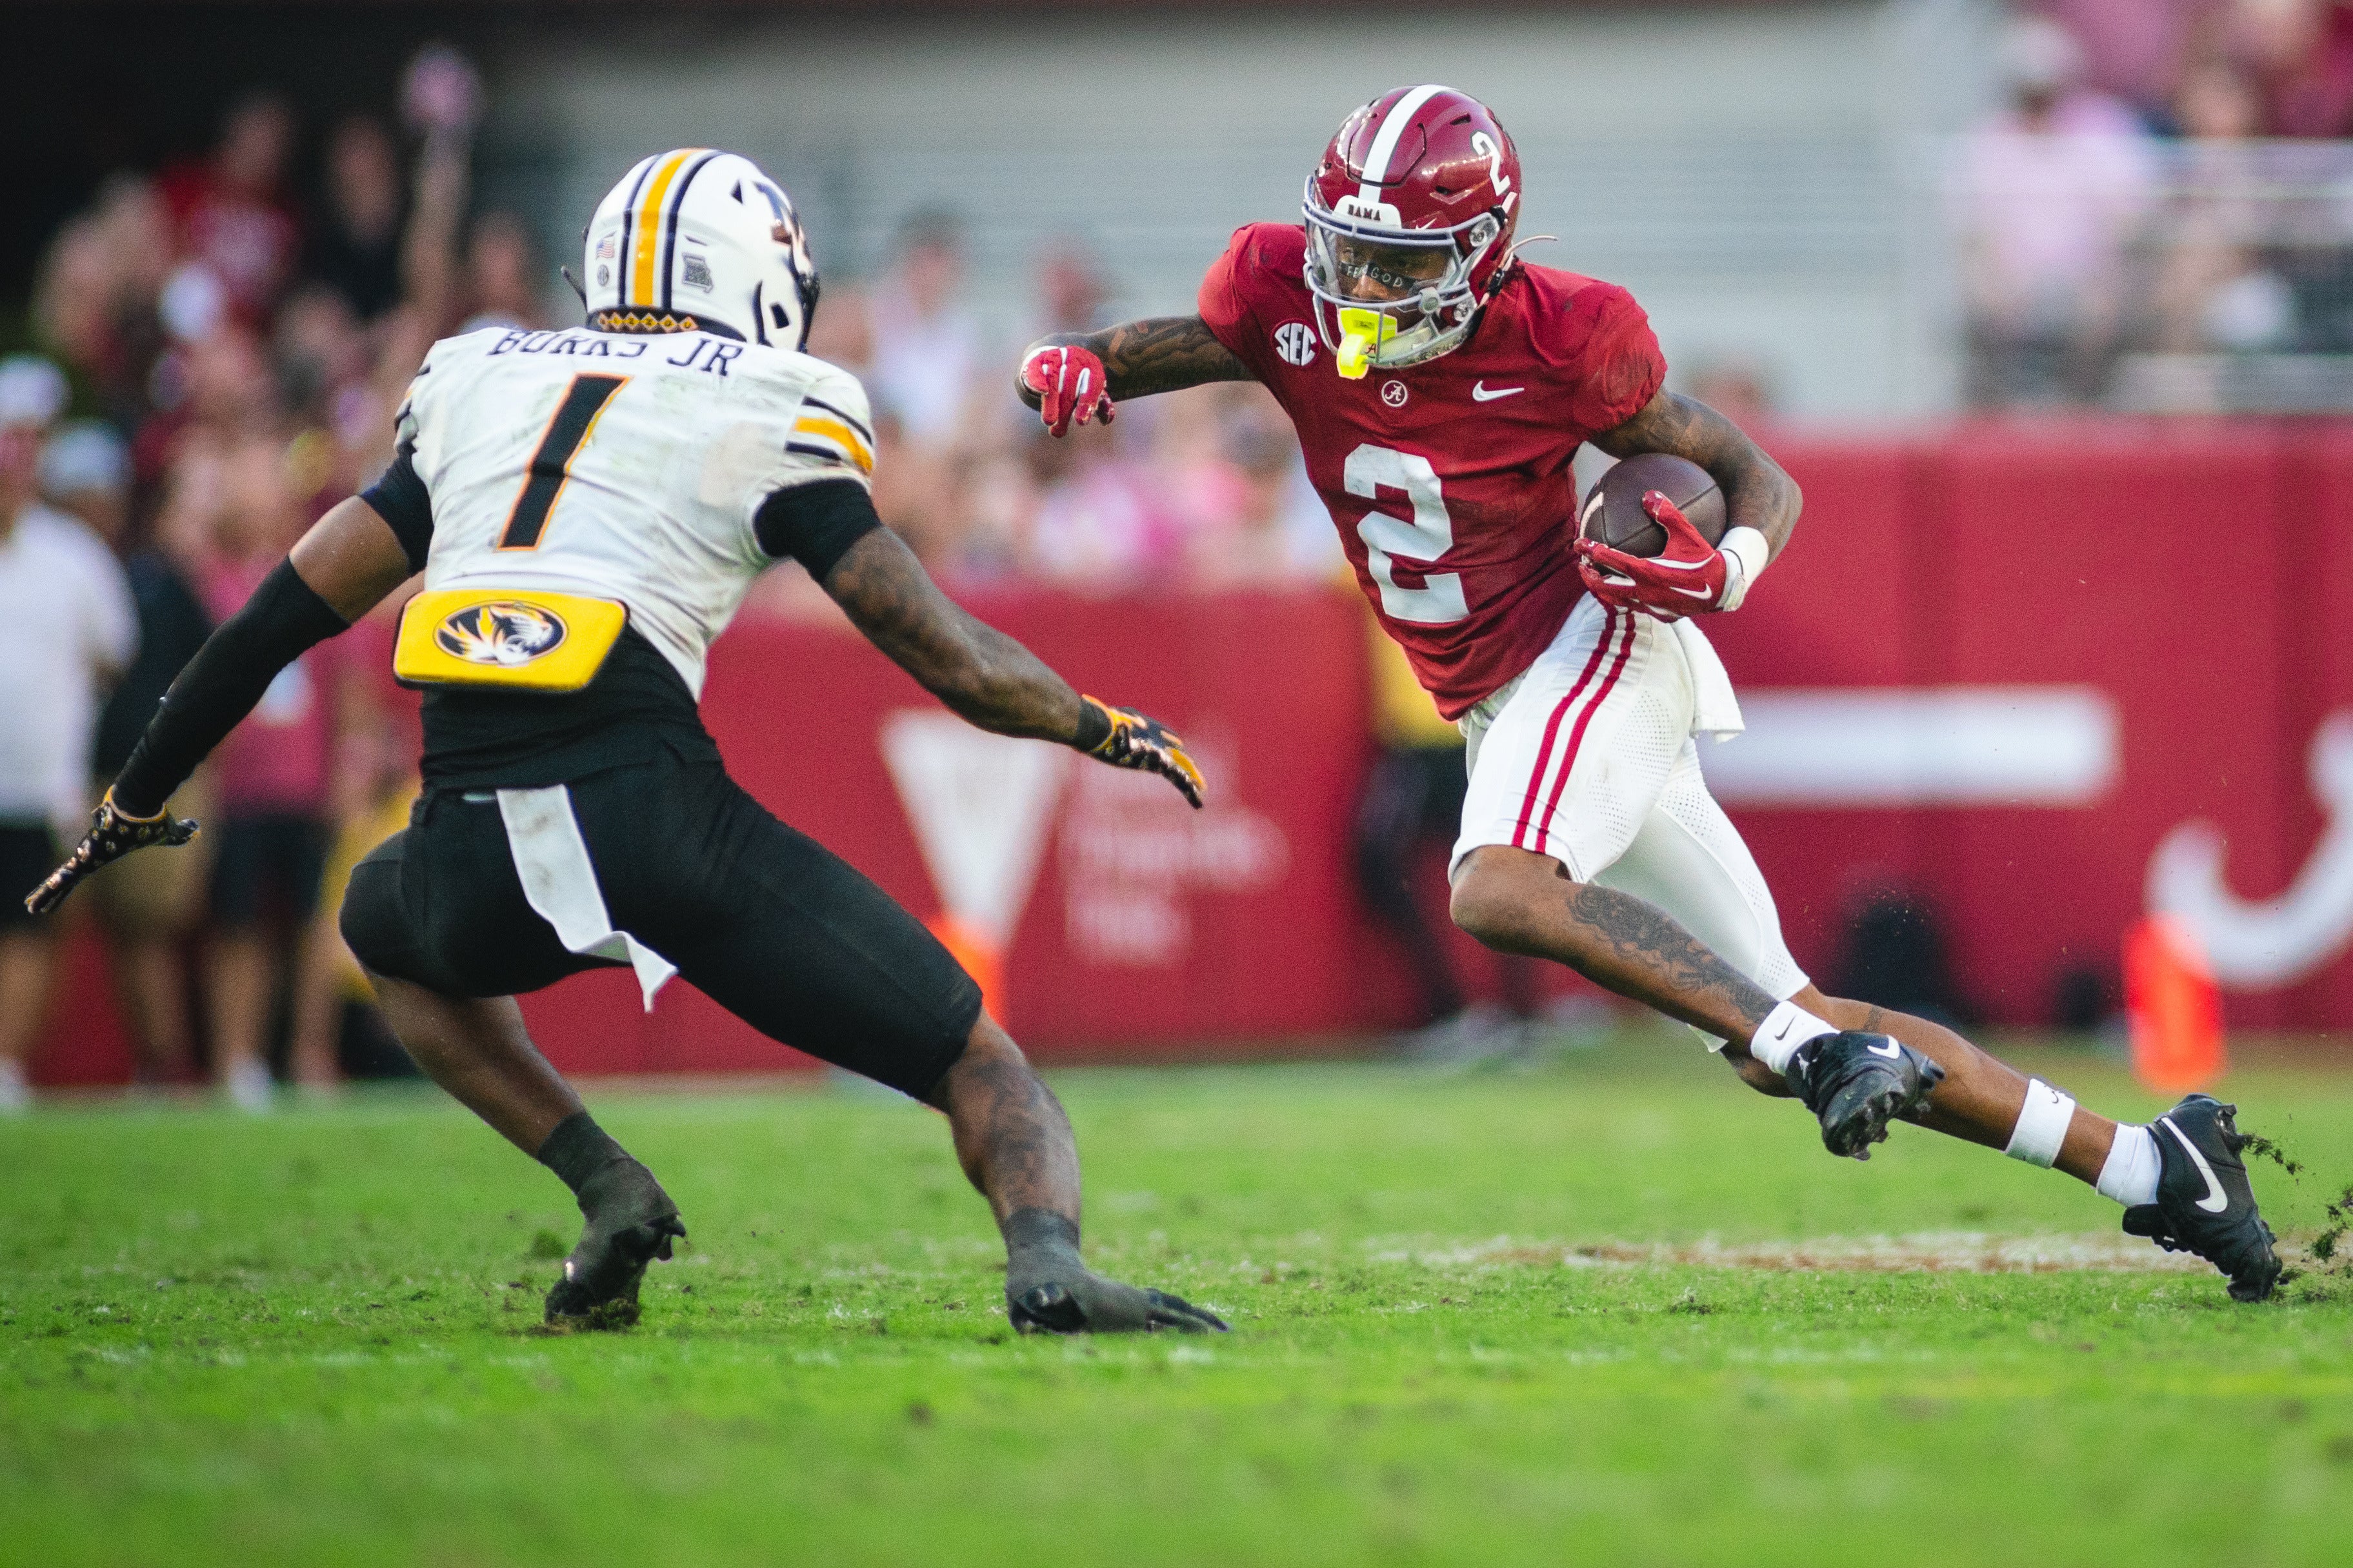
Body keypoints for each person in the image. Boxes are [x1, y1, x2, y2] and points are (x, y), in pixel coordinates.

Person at [1015, 84, 2281, 1302]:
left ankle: (1818, 1054)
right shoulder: (1280, 289)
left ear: (1481, 253)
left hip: (1587, 645)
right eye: (1346, 249)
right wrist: (1080, 365)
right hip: (1503, 700)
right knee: (1779, 1023)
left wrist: (1722, 563)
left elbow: (1750, 476)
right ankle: (2151, 1162)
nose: (1357, 285)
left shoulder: (1564, 337)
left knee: (1496, 888)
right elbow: (1213, 341)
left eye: (1396, 265)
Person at [28, 150, 1225, 1336]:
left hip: (465, 844)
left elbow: (277, 617)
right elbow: (945, 652)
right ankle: (1045, 1265)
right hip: (656, 824)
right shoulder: (769, 400)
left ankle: (605, 1184)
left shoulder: (477, 374)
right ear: (758, 277)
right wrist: (1099, 725)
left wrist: (131, 797)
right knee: (979, 1064)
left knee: (380, 916)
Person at [45, 419, 215, 1088]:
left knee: (144, 929)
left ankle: (160, 1067)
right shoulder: (52, 569)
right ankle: (19, 1068)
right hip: (61, 771)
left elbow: (209, 671)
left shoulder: (156, 578)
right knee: (41, 925)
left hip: (143, 775)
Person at [0, 361, 137, 1111]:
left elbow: (114, 653)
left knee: (26, 927)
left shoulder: (73, 557)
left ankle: (7, 1065)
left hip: (37, 776)